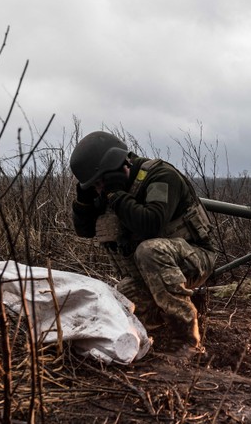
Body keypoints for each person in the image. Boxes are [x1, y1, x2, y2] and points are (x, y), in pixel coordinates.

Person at [69, 131, 216, 359]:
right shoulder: (108, 190)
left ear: (117, 167)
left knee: (149, 249)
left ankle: (188, 340)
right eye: (94, 186)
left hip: (194, 259)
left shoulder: (161, 176)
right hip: (149, 276)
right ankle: (181, 302)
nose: (100, 190)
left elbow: (150, 224)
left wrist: (116, 194)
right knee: (119, 309)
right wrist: (84, 202)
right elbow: (84, 230)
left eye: (101, 183)